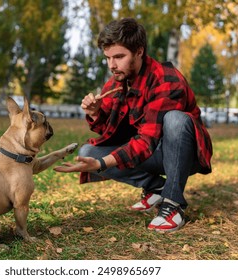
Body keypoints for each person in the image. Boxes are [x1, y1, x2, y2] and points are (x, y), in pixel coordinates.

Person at [54, 18, 212, 232]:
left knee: (176, 119)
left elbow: (147, 141)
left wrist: (103, 165)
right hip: (149, 154)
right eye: (108, 57)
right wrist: (95, 113)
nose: (112, 65)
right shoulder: (116, 82)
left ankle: (172, 203)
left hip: (182, 153)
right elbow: (110, 132)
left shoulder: (166, 79)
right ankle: (156, 187)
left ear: (139, 51)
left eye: (119, 56)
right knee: (89, 151)